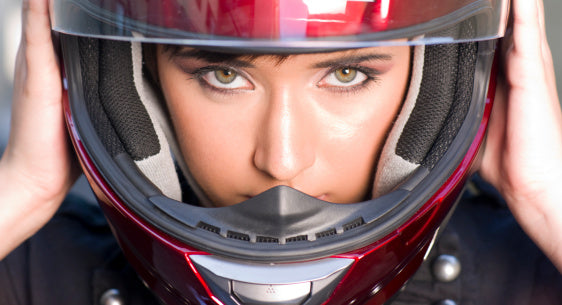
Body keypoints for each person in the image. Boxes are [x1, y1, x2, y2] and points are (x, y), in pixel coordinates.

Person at [0, 0, 561, 304]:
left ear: (444, 84)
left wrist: (546, 194)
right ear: (131, 83)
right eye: (223, 75)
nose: (282, 160)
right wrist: (21, 190)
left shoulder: (534, 274)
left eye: (346, 73)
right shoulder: (30, 275)